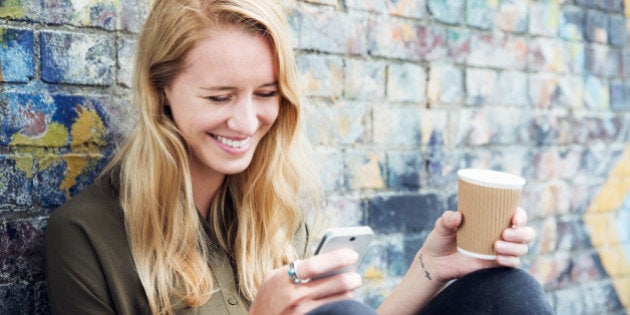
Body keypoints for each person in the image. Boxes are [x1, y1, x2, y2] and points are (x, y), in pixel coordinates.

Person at [45, 0, 553, 314]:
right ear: (161, 93)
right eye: (219, 97)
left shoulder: (277, 205)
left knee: (507, 294)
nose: (246, 123)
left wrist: (432, 266)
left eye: (265, 94)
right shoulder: (88, 236)